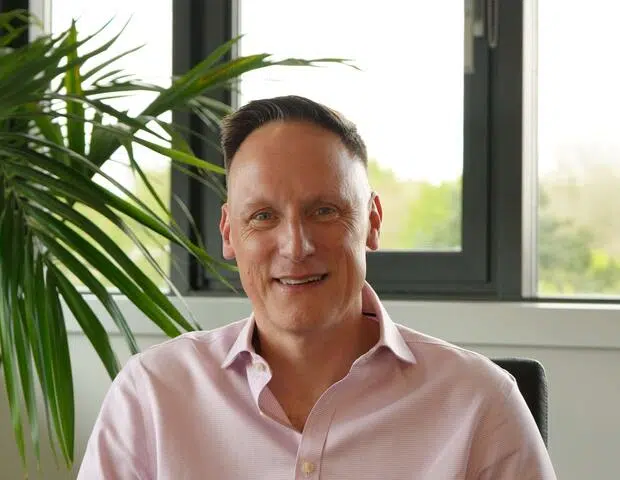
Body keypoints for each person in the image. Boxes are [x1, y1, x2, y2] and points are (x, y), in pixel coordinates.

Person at [78, 95, 557, 479]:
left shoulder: (480, 403)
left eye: (324, 211)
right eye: (263, 216)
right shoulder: (151, 395)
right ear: (229, 233)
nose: (296, 246)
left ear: (372, 221)